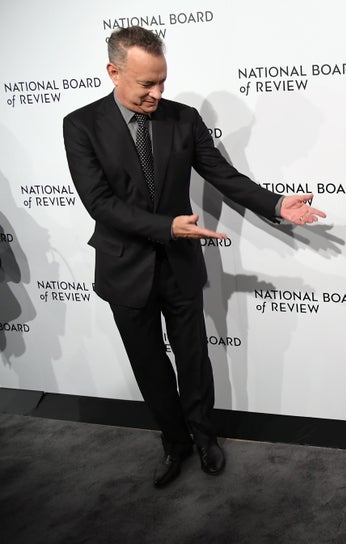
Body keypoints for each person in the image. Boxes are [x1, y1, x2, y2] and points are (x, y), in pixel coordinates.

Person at [63, 26, 325, 489]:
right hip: (124, 267)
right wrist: (165, 226)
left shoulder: (183, 119)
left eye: (162, 81)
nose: (157, 93)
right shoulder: (81, 125)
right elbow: (100, 203)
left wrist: (274, 204)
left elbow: (222, 173)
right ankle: (173, 443)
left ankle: (205, 439)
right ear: (113, 72)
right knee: (149, 363)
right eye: (147, 84)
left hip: (179, 264)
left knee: (193, 359)